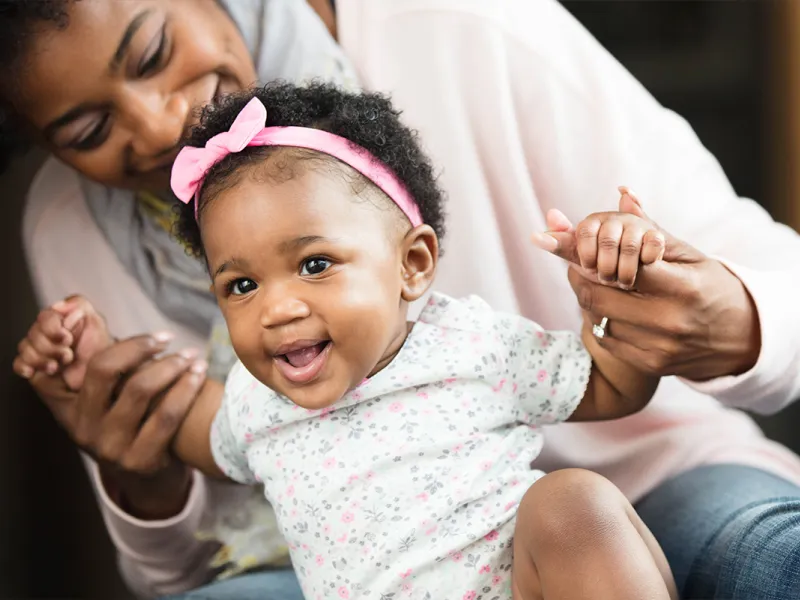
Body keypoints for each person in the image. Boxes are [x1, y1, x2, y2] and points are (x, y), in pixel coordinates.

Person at [4, 0, 800, 598]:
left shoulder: (467, 341)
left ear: (414, 262)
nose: (159, 124)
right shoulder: (254, 398)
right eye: (239, 285)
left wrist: (627, 296)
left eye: (152, 51)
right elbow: (190, 430)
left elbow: (606, 382)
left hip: (606, 512)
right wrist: (100, 393)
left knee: (595, 513)